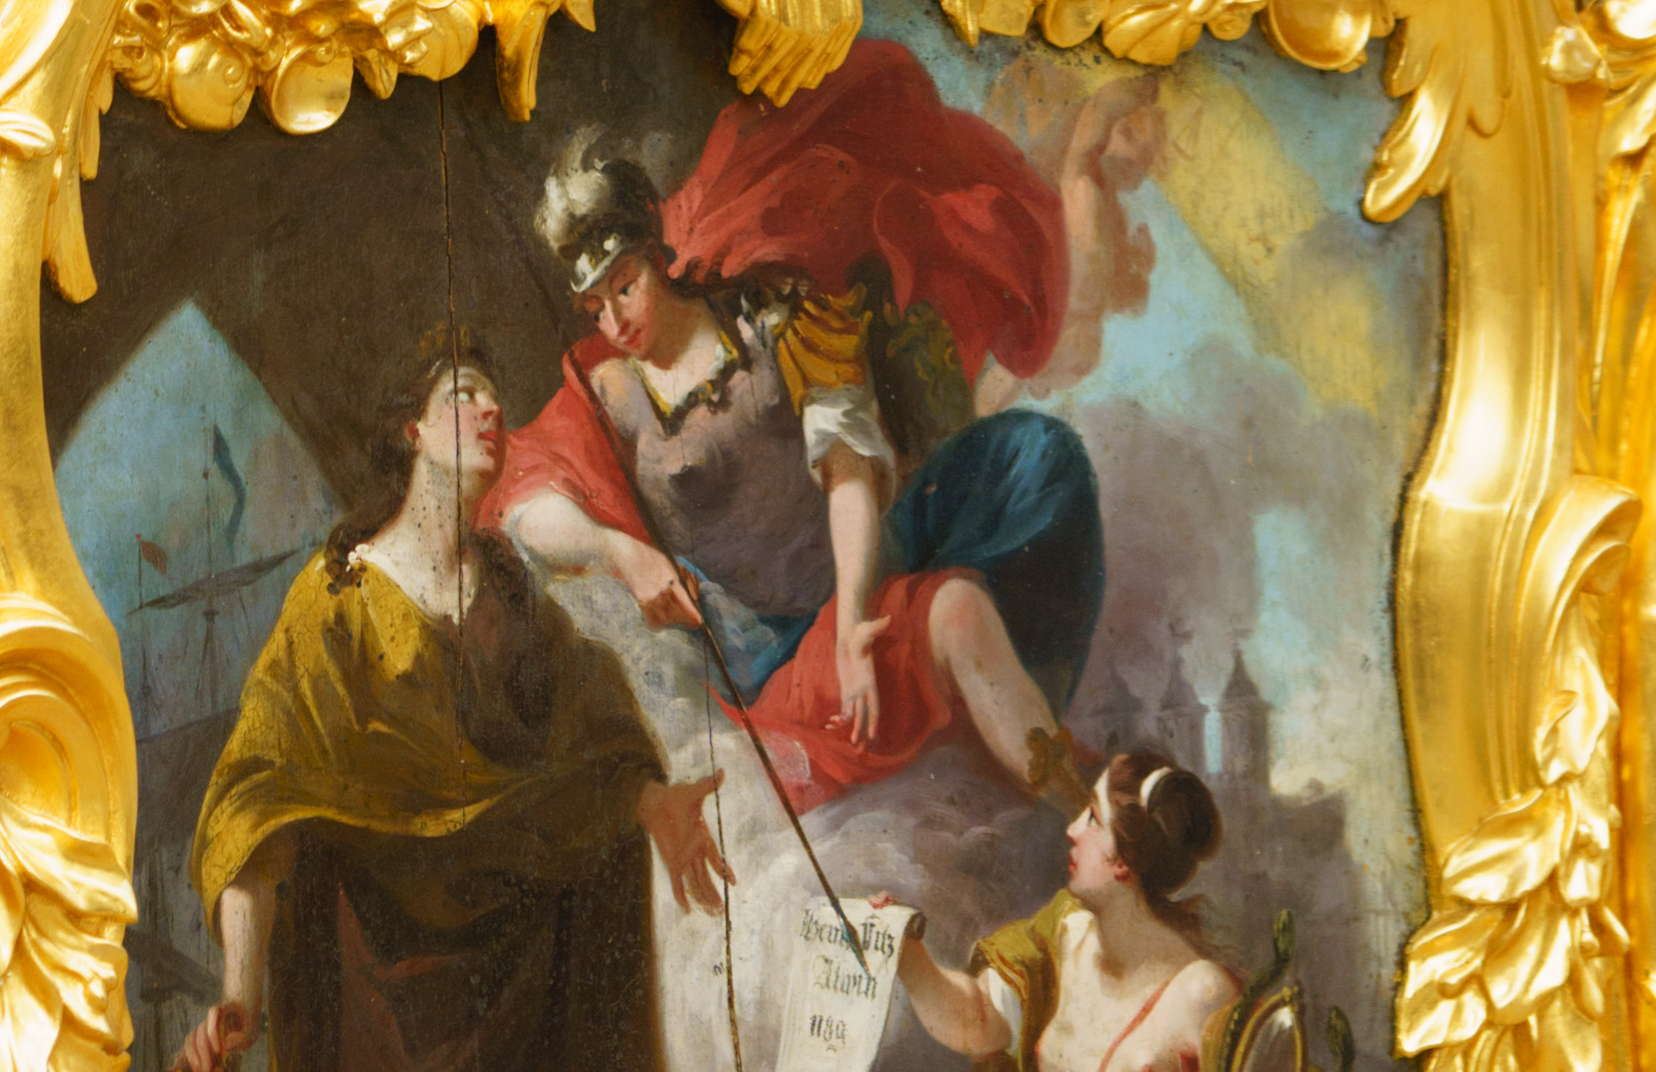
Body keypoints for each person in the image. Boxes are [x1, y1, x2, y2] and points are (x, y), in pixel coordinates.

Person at [490, 78, 1112, 818]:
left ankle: (1018, 715)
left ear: (655, 257)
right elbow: (524, 501)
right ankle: (1026, 754)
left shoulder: (769, 310)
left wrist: (854, 615)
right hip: (776, 648)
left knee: (1038, 455)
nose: (614, 318)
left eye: (624, 286)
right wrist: (617, 549)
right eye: (595, 305)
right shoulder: (613, 391)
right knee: (950, 615)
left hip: (868, 556)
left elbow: (848, 465)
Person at [181, 345, 727, 1072]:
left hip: (525, 986)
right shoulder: (337, 598)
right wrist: (240, 991)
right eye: (465, 393)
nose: (492, 409)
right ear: (413, 430)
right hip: (382, 1002)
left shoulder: (515, 601)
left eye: (497, 396)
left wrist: (656, 803)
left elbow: (590, 747)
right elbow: (258, 800)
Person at [902, 756, 1237, 1072]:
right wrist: (904, 949)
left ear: (1123, 860)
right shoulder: (1064, 931)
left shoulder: (1201, 992)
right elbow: (976, 1022)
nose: (1073, 829)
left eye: (1092, 816)